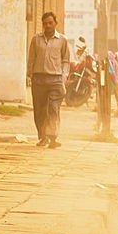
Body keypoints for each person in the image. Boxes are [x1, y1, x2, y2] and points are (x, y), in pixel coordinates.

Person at [26, 11, 70, 148]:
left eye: (50, 23)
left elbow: (66, 61)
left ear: (56, 23)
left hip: (55, 80)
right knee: (39, 110)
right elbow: (31, 59)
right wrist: (30, 75)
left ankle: (53, 137)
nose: (48, 26)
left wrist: (63, 78)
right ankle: (43, 137)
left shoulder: (62, 40)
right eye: (45, 23)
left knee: (53, 108)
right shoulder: (36, 39)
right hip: (38, 79)